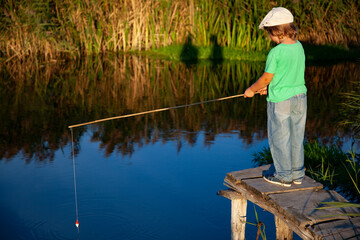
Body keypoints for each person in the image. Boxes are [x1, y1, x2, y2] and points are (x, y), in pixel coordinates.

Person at [244, 7, 307, 187]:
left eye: (269, 33)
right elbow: (289, 75)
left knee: (280, 137)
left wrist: (252, 89)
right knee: (296, 136)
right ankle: (297, 174)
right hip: (300, 98)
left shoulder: (275, 52)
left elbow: (266, 77)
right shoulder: (299, 46)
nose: (269, 37)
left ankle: (284, 176)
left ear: (275, 32)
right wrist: (268, 88)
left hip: (280, 101)